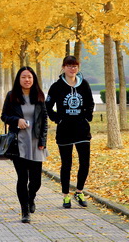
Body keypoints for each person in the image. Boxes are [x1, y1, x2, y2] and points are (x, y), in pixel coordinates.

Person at [45, 56, 95, 209]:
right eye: (69, 66)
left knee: (84, 163)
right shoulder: (56, 86)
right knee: (66, 164)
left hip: (82, 129)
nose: (72, 69)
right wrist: (57, 119)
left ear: (78, 68)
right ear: (63, 67)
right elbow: (48, 106)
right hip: (64, 130)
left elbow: (90, 102)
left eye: (75, 66)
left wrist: (87, 116)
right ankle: (66, 195)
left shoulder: (84, 84)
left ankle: (79, 192)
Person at [1, 66, 48, 223]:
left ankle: (31, 197)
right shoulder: (12, 96)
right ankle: (25, 211)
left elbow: (44, 120)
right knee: (22, 178)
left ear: (33, 79)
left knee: (36, 181)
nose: (27, 80)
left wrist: (43, 141)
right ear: (18, 79)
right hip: (19, 143)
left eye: (29, 77)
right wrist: (17, 120)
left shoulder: (39, 96)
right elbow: (4, 116)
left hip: (36, 143)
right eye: (23, 77)